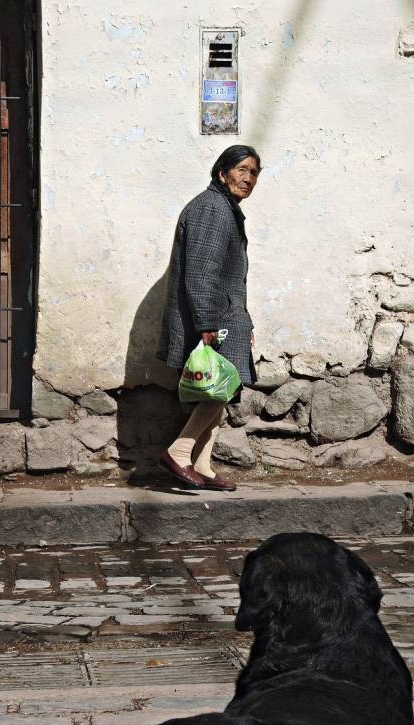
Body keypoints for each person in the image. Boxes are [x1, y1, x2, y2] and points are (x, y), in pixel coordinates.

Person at [157, 145, 261, 491]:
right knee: (218, 388)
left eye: (254, 172)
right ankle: (180, 450)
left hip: (226, 317)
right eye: (242, 169)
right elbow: (201, 274)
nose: (248, 178)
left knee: (222, 385)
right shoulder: (213, 209)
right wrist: (207, 325)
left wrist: (243, 321)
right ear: (222, 173)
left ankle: (203, 463)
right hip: (215, 320)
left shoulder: (222, 208)